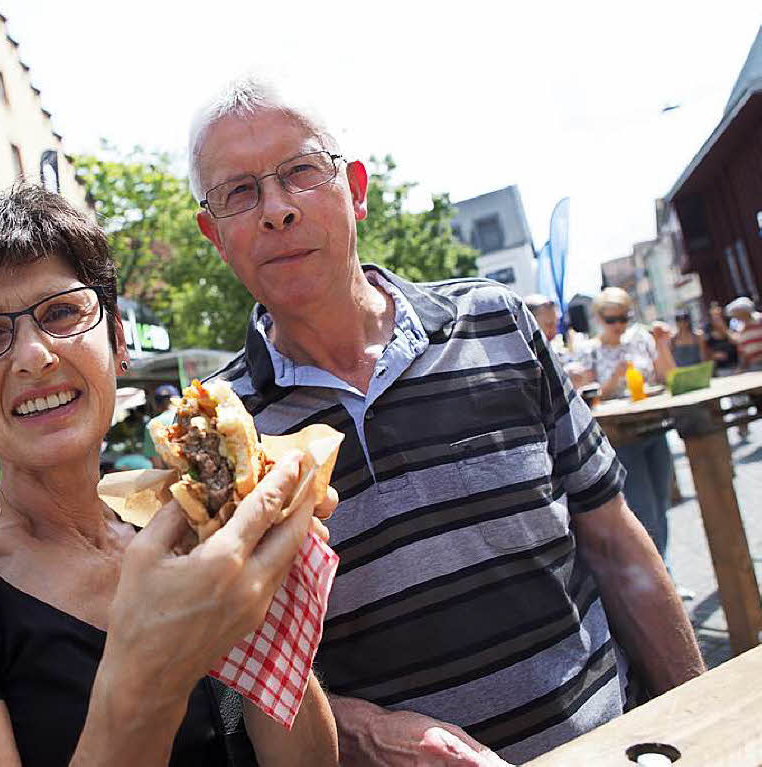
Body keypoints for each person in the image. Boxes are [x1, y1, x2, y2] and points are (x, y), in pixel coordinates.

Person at [188, 78, 704, 766]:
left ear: (356, 189)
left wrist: (701, 719)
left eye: (300, 172)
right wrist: (365, 731)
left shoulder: (499, 322)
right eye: (240, 193)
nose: (277, 210)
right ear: (214, 235)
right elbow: (236, 681)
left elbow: (616, 544)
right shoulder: (216, 436)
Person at [0, 186, 339, 766]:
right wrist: (152, 666)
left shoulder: (189, 532)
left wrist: (272, 588)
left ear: (118, 339)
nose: (34, 354)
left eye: (61, 312)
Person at [574, 288, 678, 560]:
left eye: (624, 317)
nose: (619, 325)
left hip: (654, 425)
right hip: (621, 436)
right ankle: (661, 576)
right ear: (598, 319)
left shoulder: (640, 339)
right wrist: (614, 379)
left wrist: (663, 344)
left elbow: (668, 378)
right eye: (612, 320)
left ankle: (666, 570)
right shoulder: (590, 351)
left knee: (662, 501)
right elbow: (589, 401)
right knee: (644, 509)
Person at [144, 384, 180, 468]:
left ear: (156, 405)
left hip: (176, 476)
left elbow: (157, 464)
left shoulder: (152, 425)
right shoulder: (194, 416)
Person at [725, 296, 762, 371]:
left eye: (737, 313)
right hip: (755, 365)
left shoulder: (760, 320)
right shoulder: (740, 328)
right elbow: (742, 351)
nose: (736, 317)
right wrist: (741, 368)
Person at [704, 301, 738, 374]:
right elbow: (705, 349)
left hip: (736, 363)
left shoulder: (731, 323)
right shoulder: (707, 329)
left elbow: (735, 341)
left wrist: (723, 328)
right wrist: (713, 355)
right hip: (720, 368)